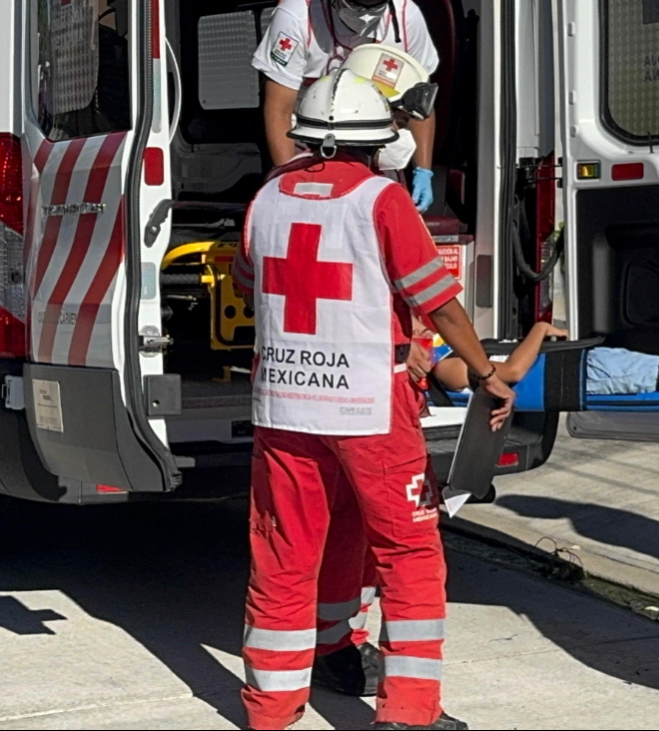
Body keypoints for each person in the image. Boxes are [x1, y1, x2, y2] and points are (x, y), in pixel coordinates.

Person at [232, 69, 514, 731]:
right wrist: (482, 371)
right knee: (408, 550)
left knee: (284, 551)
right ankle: (409, 712)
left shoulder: (266, 197)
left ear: (303, 136)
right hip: (370, 408)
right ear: (375, 141)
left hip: (283, 408)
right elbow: (437, 303)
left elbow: (250, 282)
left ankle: (270, 709)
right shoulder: (381, 200)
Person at [252, 0, 440, 211]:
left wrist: (423, 171)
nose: (366, 14)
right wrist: (286, 178)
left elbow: (419, 102)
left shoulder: (407, 16)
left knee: (383, 210)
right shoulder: (297, 15)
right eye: (358, 5)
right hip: (307, 132)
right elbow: (279, 109)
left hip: (372, 137)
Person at [413, 320, 659, 396]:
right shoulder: (446, 368)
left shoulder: (449, 353)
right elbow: (511, 371)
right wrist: (539, 330)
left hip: (580, 364)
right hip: (582, 373)